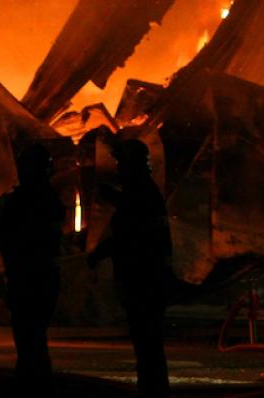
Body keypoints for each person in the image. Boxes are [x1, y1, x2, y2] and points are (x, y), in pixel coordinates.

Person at [0, 142, 63, 394]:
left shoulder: (21, 200)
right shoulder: (50, 199)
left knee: (28, 339)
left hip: (27, 278)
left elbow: (5, 230)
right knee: (34, 339)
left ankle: (31, 386)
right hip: (43, 278)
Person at [88, 138, 172, 398]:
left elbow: (133, 234)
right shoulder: (144, 193)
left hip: (142, 280)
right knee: (147, 344)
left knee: (147, 343)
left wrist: (101, 252)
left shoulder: (143, 195)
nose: (119, 169)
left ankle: (153, 391)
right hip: (143, 279)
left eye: (122, 164)